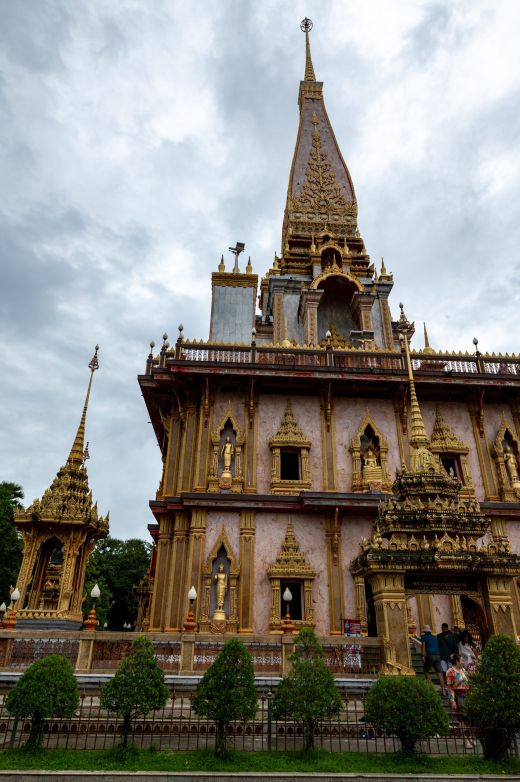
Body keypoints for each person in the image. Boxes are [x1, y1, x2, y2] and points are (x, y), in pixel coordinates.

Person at [446, 651, 473, 749]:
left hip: (467, 695)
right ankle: (466, 740)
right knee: (462, 719)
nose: (463, 662)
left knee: (468, 719)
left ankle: (469, 737)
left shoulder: (464, 671)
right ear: (456, 661)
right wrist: (452, 700)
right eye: (461, 660)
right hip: (458, 696)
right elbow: (449, 687)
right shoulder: (450, 671)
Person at [421, 625, 446, 696]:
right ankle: (443, 690)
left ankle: (431, 687)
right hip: (437, 655)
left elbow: (423, 646)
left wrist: (423, 656)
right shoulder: (435, 637)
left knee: (426, 670)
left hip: (430, 655)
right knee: (439, 673)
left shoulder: (424, 637)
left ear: (425, 631)